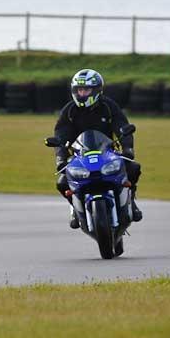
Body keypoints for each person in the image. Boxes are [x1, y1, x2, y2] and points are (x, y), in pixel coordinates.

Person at [53, 69, 143, 228]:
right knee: (62, 182)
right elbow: (61, 134)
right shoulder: (69, 110)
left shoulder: (108, 106)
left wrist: (127, 148)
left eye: (86, 90)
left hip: (107, 153)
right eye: (79, 90)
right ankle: (75, 209)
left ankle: (131, 200)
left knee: (133, 168)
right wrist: (60, 157)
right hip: (79, 156)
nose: (82, 94)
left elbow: (122, 126)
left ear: (97, 90)